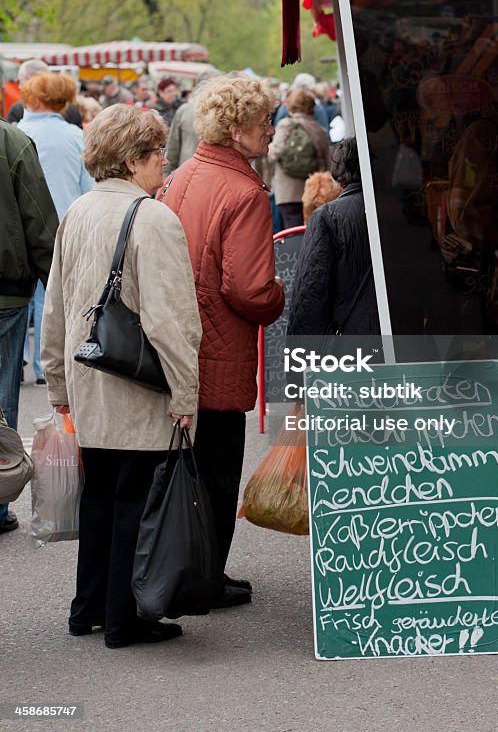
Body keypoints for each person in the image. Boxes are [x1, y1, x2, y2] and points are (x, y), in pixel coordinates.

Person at [41, 105, 202, 648]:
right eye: (158, 152)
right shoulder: (154, 219)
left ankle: (87, 607)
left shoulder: (78, 211)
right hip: (139, 383)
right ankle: (125, 619)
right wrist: (186, 393)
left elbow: (56, 310)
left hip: (90, 378)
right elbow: (170, 320)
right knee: (137, 496)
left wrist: (58, 384)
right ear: (133, 161)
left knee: (102, 494)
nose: (166, 161)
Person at [161, 74, 285, 608]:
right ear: (236, 128)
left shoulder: (183, 175)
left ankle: (188, 573)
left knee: (183, 470)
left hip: (177, 344)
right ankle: (204, 580)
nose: (271, 132)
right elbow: (250, 288)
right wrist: (279, 295)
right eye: (264, 123)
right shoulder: (245, 191)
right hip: (219, 350)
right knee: (215, 472)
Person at [0, 119, 58, 535]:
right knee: (2, 403)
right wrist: (55, 287)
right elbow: (39, 222)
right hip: (6, 294)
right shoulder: (13, 141)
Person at [18, 73, 95, 384]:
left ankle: (23, 358)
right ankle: (46, 367)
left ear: (35, 98)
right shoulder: (76, 136)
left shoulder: (18, 132)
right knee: (53, 302)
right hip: (67, 229)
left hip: (23, 230)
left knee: (23, 302)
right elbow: (88, 188)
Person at [287, 138, 380, 337]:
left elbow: (311, 292)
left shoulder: (327, 216)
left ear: (338, 175)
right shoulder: (392, 210)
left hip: (353, 342)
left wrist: (300, 360)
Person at [268, 87, 330, 229]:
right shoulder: (318, 129)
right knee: (314, 231)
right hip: (314, 191)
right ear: (311, 107)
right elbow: (327, 161)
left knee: (293, 231)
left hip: (287, 191)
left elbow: (273, 153)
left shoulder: (285, 125)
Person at [7, 59, 82, 127]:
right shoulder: (69, 107)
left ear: (31, 80)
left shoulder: (18, 109)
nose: (20, 86)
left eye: (21, 81)